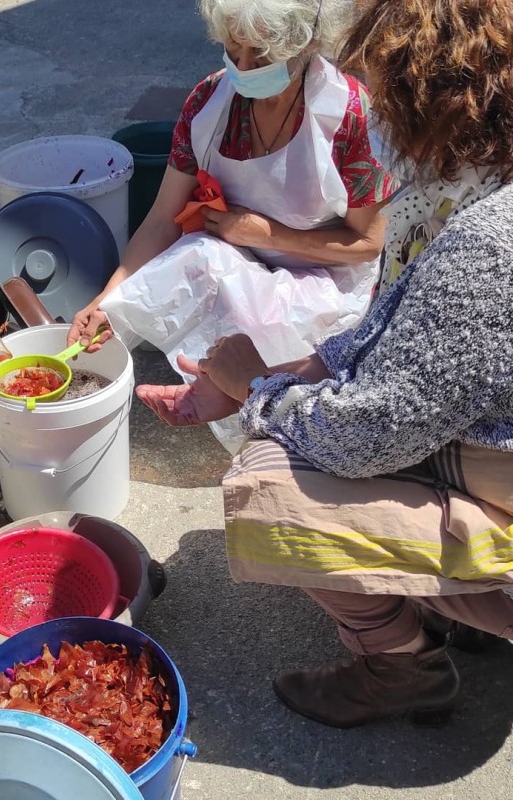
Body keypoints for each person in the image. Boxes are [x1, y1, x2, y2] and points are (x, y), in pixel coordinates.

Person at [136, 0, 513, 728]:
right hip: (486, 430)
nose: (373, 117)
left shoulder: (486, 244)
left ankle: (404, 667)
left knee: (269, 482)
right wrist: (295, 371)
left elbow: (364, 436)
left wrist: (256, 390)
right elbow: (401, 329)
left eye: (384, 96)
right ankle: (454, 605)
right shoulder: (468, 191)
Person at [69, 0, 396, 452]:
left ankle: (239, 395)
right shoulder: (209, 104)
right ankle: (222, 385)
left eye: (260, 56)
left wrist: (271, 236)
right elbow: (162, 219)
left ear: (303, 47)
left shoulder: (347, 115)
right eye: (232, 49)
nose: (242, 68)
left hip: (327, 279)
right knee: (195, 254)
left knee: (275, 342)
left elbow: (369, 244)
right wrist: (107, 299)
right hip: (242, 261)